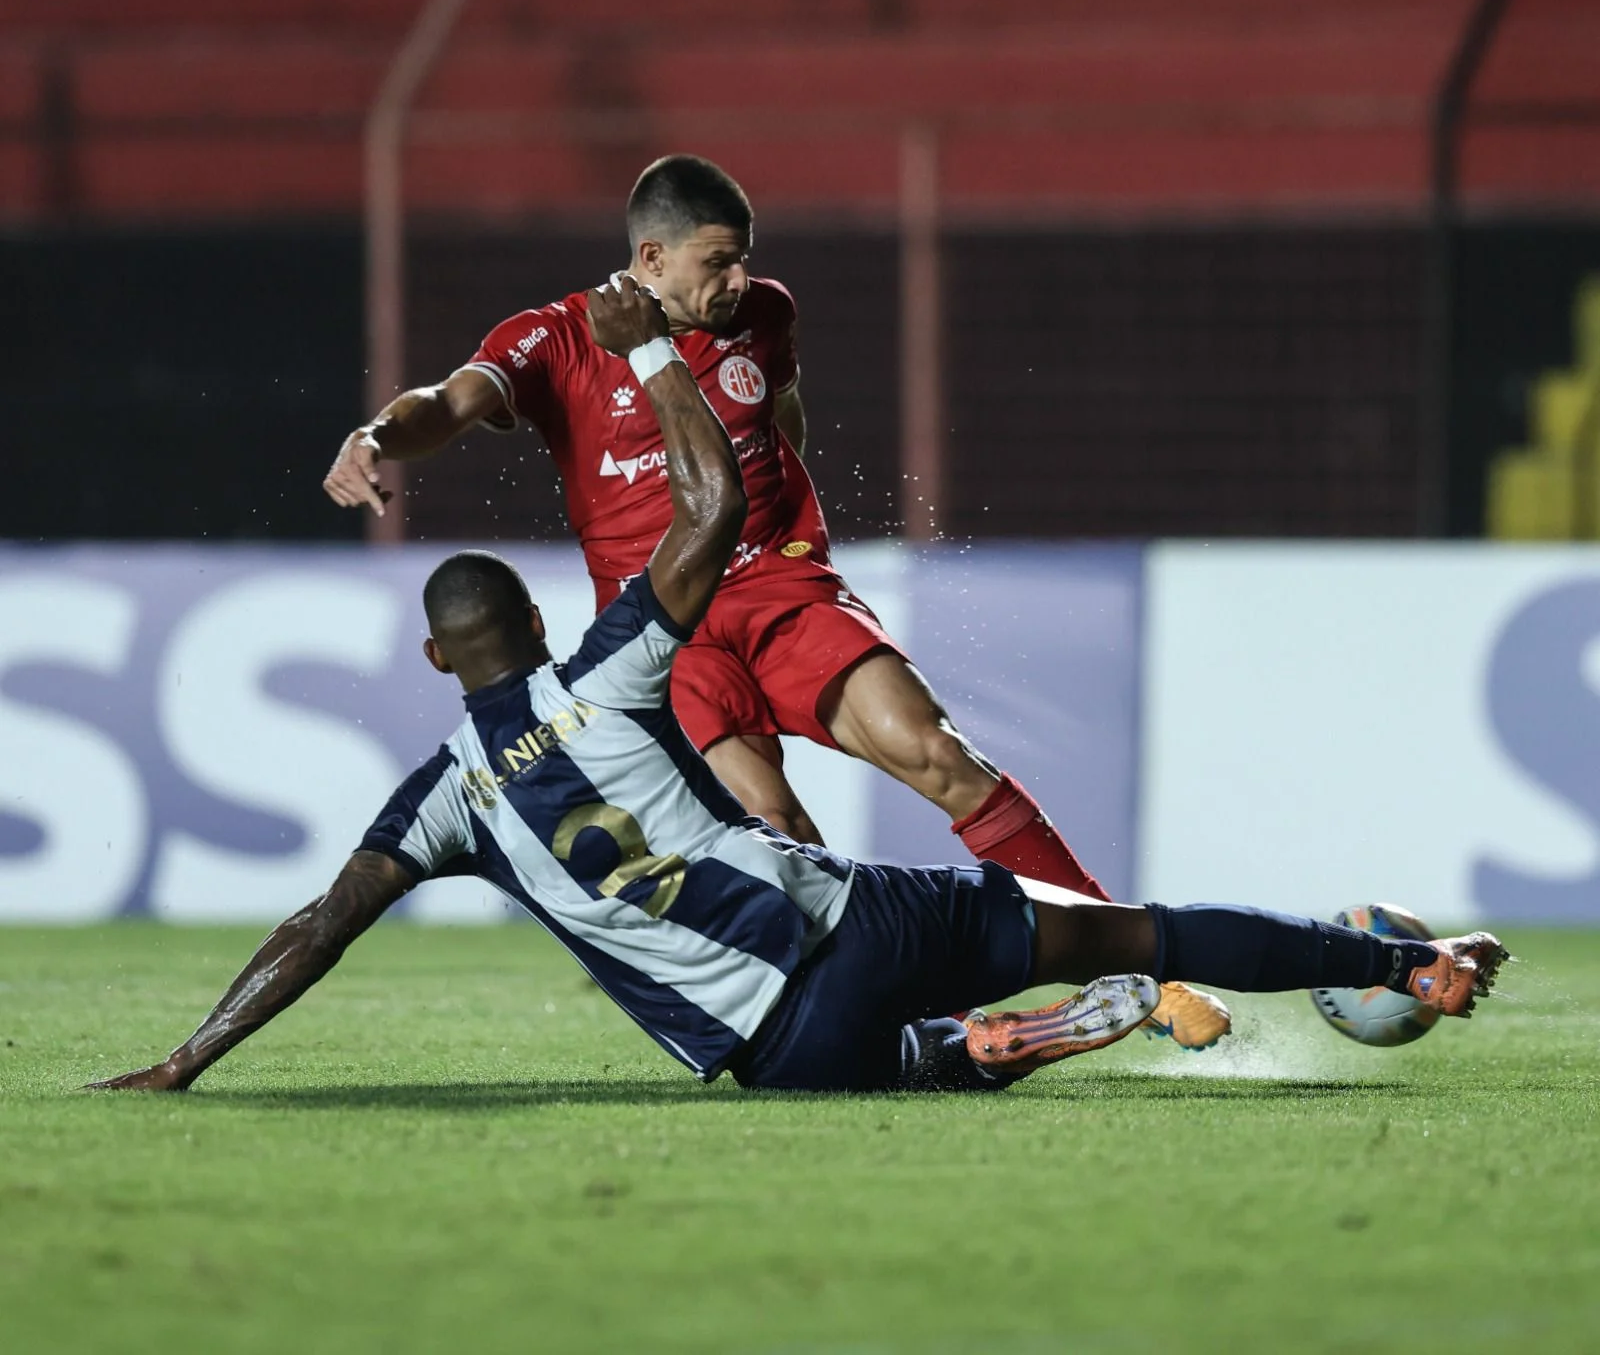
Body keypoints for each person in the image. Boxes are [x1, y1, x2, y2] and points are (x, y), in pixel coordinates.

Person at [96, 277, 1508, 1096]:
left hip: (774, 1037)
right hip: (825, 858)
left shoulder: (443, 799)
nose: (729, 279)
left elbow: (321, 921)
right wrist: (645, 360)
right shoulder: (619, 660)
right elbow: (499, 422)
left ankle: (974, 1043)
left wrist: (189, 1057)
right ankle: (1393, 964)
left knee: (862, 928)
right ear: (541, 610)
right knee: (1113, 924)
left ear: (430, 662)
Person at [322, 153, 1229, 1050]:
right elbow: (446, 403)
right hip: (666, 639)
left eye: (743, 257)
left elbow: (779, 420)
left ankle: (1134, 975)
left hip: (782, 588)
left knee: (936, 753)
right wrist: (375, 436)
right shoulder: (556, 336)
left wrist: (785, 510)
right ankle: (940, 1036)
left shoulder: (766, 314)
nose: (738, 279)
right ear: (651, 260)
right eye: (717, 262)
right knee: (777, 840)